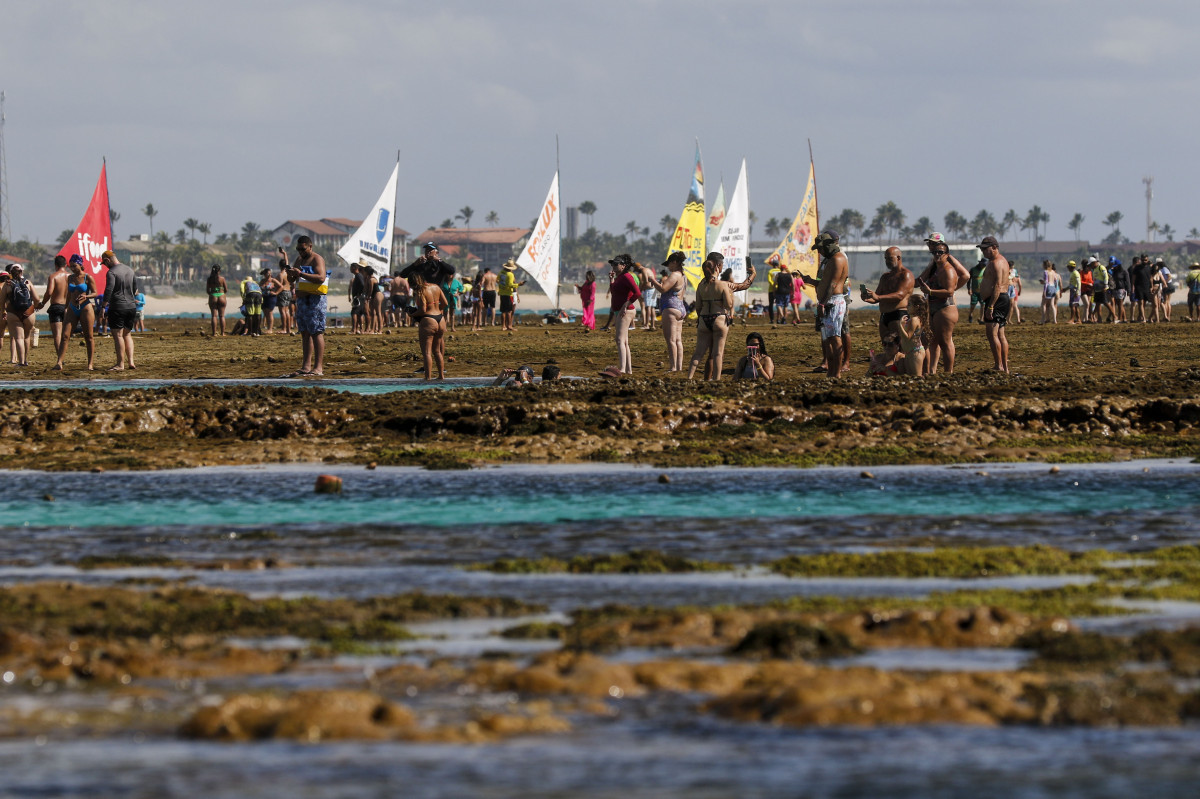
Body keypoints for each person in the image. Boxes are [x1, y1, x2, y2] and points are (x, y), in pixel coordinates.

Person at [687, 253, 756, 381]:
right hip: (719, 318)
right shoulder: (724, 285)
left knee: (698, 353)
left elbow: (698, 306)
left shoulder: (701, 286)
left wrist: (700, 317)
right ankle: (716, 379)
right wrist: (753, 274)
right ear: (718, 267)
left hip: (703, 319)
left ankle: (689, 377)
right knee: (718, 353)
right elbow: (732, 300)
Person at [915, 232, 969, 375]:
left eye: (935, 245)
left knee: (945, 340)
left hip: (945, 303)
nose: (932, 248)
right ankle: (931, 370)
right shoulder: (934, 261)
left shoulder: (948, 260)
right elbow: (920, 279)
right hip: (932, 301)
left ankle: (947, 371)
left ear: (943, 247)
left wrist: (952, 289)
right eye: (930, 244)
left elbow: (965, 275)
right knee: (932, 340)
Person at [282, 236, 327, 377]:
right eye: (298, 249)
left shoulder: (316, 259)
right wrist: (291, 274)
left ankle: (318, 367)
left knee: (316, 331)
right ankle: (306, 366)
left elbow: (321, 278)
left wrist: (301, 273)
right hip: (302, 300)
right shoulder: (299, 260)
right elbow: (291, 280)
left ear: (310, 246)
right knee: (305, 332)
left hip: (314, 300)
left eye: (303, 249)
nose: (300, 251)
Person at [861, 246, 914, 346]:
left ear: (898, 258)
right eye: (885, 259)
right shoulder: (885, 276)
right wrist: (868, 298)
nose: (887, 261)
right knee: (886, 346)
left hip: (899, 314)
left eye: (890, 258)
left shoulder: (906, 275)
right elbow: (876, 297)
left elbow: (900, 295)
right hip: (884, 316)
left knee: (899, 346)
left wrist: (878, 297)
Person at [813, 230, 849, 378]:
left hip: (833, 302)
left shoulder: (838, 259)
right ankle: (831, 371)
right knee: (828, 338)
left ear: (828, 245)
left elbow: (833, 284)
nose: (820, 252)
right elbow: (826, 282)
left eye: (821, 248)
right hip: (829, 301)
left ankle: (837, 373)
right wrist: (810, 281)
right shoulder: (830, 259)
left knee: (835, 338)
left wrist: (822, 303)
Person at [647, 251, 688, 371]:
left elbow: (663, 289)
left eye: (669, 264)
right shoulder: (683, 275)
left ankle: (673, 367)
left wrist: (653, 280)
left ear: (674, 262)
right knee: (678, 340)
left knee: (670, 340)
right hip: (680, 308)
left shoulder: (674, 275)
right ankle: (679, 367)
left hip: (671, 308)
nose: (668, 267)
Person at [54, 257, 97, 371]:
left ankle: (90, 364)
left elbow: (95, 293)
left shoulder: (88, 277)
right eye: (71, 266)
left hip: (85, 307)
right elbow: (69, 293)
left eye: (74, 266)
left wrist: (86, 296)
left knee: (89, 337)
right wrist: (66, 306)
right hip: (72, 307)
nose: (72, 268)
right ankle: (59, 362)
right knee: (65, 335)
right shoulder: (70, 278)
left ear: (80, 265)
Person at [977, 236, 1011, 373]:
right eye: (982, 249)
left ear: (995, 247)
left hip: (996, 300)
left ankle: (999, 366)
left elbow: (998, 285)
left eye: (986, 249)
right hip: (1000, 299)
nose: (984, 252)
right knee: (1000, 335)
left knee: (992, 334)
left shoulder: (997, 262)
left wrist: (990, 306)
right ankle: (1005, 367)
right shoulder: (1000, 261)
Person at [101, 251, 138, 371]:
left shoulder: (111, 272)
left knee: (118, 336)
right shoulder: (130, 270)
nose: (105, 266)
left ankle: (120, 364)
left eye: (105, 263)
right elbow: (135, 289)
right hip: (131, 307)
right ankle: (131, 362)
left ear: (107, 260)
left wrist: (103, 306)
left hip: (118, 306)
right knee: (127, 334)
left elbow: (109, 289)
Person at [608, 254, 642, 374]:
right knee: (624, 341)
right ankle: (628, 370)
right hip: (620, 310)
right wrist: (611, 280)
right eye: (612, 264)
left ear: (623, 266)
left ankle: (622, 369)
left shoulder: (627, 276)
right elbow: (614, 292)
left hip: (626, 311)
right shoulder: (619, 277)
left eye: (616, 264)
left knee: (619, 340)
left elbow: (637, 293)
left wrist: (625, 305)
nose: (613, 266)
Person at [411, 270, 447, 380]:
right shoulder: (436, 286)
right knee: (437, 351)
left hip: (428, 320)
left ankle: (428, 378)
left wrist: (412, 314)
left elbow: (423, 309)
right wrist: (437, 311)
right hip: (440, 319)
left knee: (427, 352)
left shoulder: (421, 291)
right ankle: (441, 376)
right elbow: (445, 303)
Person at [1, 262, 39, 366]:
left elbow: (2, 301)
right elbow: (37, 299)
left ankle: (21, 362)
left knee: (18, 338)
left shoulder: (7, 284)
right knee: (26, 337)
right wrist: (34, 308)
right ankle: (25, 360)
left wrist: (3, 312)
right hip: (29, 312)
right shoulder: (28, 282)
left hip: (13, 313)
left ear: (10, 273)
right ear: (21, 271)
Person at [37, 255, 71, 353]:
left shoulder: (53, 276)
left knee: (57, 334)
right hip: (68, 307)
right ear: (66, 265)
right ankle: (63, 354)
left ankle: (60, 357)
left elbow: (49, 292)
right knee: (66, 334)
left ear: (55, 265)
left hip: (56, 306)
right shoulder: (71, 277)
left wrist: (42, 303)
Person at [898, 293, 928, 376]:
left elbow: (908, 337)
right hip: (911, 351)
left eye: (909, 304)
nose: (907, 307)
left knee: (916, 377)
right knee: (911, 377)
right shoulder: (917, 318)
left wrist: (900, 325)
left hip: (915, 352)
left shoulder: (914, 320)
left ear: (917, 306)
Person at [498, 260, 525, 332]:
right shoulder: (510, 274)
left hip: (502, 293)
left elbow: (498, 280)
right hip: (508, 294)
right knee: (509, 311)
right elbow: (510, 285)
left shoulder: (501, 273)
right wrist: (519, 284)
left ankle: (503, 326)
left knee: (503, 311)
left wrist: (501, 288)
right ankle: (509, 326)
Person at [239, 270, 264, 337]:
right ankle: (257, 331)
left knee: (250, 314)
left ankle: (250, 332)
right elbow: (260, 291)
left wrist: (244, 299)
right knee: (258, 313)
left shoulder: (244, 282)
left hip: (250, 294)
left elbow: (242, 290)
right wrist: (262, 299)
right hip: (259, 295)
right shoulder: (255, 283)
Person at [206, 264, 228, 336]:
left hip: (213, 296)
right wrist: (221, 293)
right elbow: (226, 289)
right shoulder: (222, 279)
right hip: (221, 296)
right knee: (222, 316)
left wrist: (212, 294)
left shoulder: (209, 279)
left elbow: (207, 290)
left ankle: (214, 333)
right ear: (219, 271)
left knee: (214, 316)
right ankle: (222, 333)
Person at [440, 266, 463, 334]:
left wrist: (457, 294)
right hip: (445, 299)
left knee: (452, 314)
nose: (450, 275)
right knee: (445, 313)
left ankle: (452, 327)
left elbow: (462, 289)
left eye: (451, 274)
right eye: (448, 274)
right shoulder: (443, 282)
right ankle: (444, 327)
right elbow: (440, 290)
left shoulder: (456, 282)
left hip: (453, 299)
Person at [259, 267, 281, 334]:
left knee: (270, 312)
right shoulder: (262, 281)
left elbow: (281, 286)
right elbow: (259, 288)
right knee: (265, 313)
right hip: (264, 298)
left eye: (269, 273)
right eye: (266, 274)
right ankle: (268, 328)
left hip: (271, 297)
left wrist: (276, 293)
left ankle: (270, 329)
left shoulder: (273, 280)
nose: (268, 275)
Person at [1039, 260, 1061, 324]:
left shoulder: (1045, 272)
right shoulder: (1053, 272)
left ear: (1045, 265)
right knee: (1052, 304)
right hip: (1053, 287)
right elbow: (1056, 281)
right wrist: (1055, 288)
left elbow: (1046, 283)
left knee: (1043, 304)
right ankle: (1055, 320)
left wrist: (1044, 292)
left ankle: (1043, 320)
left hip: (1048, 287)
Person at [1109, 257, 1130, 323]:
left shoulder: (1124, 272)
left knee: (1120, 304)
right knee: (1119, 304)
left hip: (1121, 289)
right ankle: (1124, 319)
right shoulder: (1114, 272)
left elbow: (1128, 281)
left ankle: (1120, 319)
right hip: (1115, 289)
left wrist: (1128, 290)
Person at [966, 257, 987, 323]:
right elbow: (969, 280)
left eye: (985, 265)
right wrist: (969, 289)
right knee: (973, 305)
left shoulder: (986, 270)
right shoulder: (973, 270)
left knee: (983, 305)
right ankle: (970, 314)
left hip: (983, 291)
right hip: (974, 291)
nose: (984, 266)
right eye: (983, 264)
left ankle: (981, 319)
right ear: (980, 263)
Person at [276, 262, 295, 335]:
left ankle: (284, 329)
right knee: (287, 311)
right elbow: (292, 284)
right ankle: (288, 329)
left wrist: (275, 292)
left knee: (282, 311)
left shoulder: (281, 274)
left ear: (280, 265)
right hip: (289, 292)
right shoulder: (288, 273)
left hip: (283, 292)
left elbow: (280, 286)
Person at [348, 262, 366, 334]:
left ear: (354, 268)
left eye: (351, 268)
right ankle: (360, 329)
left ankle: (354, 329)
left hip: (358, 297)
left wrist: (359, 294)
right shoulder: (358, 276)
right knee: (359, 314)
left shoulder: (358, 276)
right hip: (359, 297)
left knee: (354, 313)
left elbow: (362, 285)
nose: (350, 269)